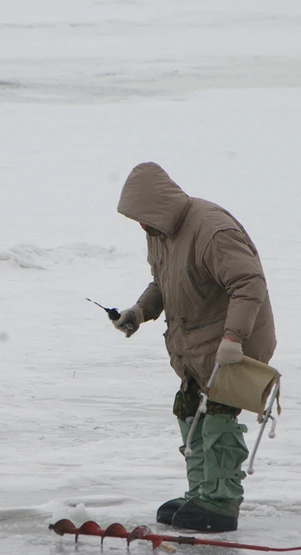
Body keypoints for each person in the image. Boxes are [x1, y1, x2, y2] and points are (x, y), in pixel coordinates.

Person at [112, 162, 276, 533]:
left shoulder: (212, 230)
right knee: (190, 408)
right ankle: (200, 492)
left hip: (232, 342)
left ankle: (220, 502)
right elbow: (164, 281)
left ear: (159, 207)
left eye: (143, 216)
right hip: (196, 344)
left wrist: (234, 339)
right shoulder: (161, 231)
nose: (140, 225)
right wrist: (140, 311)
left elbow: (249, 284)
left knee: (218, 414)